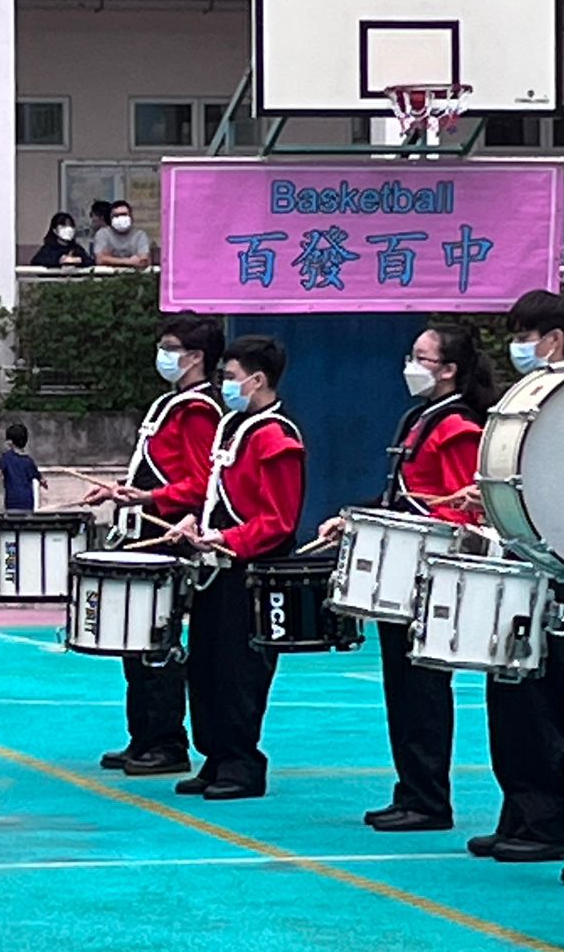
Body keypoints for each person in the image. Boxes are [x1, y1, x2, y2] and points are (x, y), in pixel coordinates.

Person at [326, 320, 496, 833]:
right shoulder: (421, 417)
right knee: (401, 688)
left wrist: (407, 523)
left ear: (449, 370)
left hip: (427, 574)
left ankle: (429, 798)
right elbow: (403, 494)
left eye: (422, 358)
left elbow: (464, 510)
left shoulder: (457, 427)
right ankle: (411, 790)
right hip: (403, 572)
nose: (410, 366)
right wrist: (358, 517)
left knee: (422, 690)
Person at [83, 314, 224, 777]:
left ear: (196, 357)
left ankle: (166, 741)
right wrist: (120, 490)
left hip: (166, 535)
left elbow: (201, 483)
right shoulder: (172, 403)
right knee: (134, 637)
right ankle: (142, 735)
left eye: (170, 347)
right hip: (144, 531)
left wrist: (147, 498)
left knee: (155, 640)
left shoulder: (198, 410)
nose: (162, 355)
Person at [473, 290, 564, 864]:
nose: (518, 348)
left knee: (539, 697)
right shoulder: (528, 395)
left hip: (555, 565)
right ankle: (517, 810)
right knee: (508, 694)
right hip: (519, 559)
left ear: (555, 341)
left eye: (525, 337)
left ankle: (547, 821)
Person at [168, 334, 305, 801]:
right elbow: (218, 496)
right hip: (216, 567)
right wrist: (196, 522)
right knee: (205, 665)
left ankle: (242, 762)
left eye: (229, 377)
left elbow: (279, 520)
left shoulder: (276, 437)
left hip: (250, 573)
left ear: (257, 380)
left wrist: (228, 539)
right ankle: (215, 754)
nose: (223, 384)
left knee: (239, 671)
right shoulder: (234, 427)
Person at [0, 421, 45, 512]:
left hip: (12, 501)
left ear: (9, 442)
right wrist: (43, 483)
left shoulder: (6, 458)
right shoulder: (29, 461)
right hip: (27, 501)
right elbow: (40, 478)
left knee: (13, 519)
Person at [91, 198, 151, 270]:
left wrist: (110, 259)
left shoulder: (140, 235)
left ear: (131, 217)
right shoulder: (103, 234)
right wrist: (129, 261)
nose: (121, 218)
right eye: (116, 215)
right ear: (111, 218)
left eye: (124, 214)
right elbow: (100, 260)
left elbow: (143, 260)